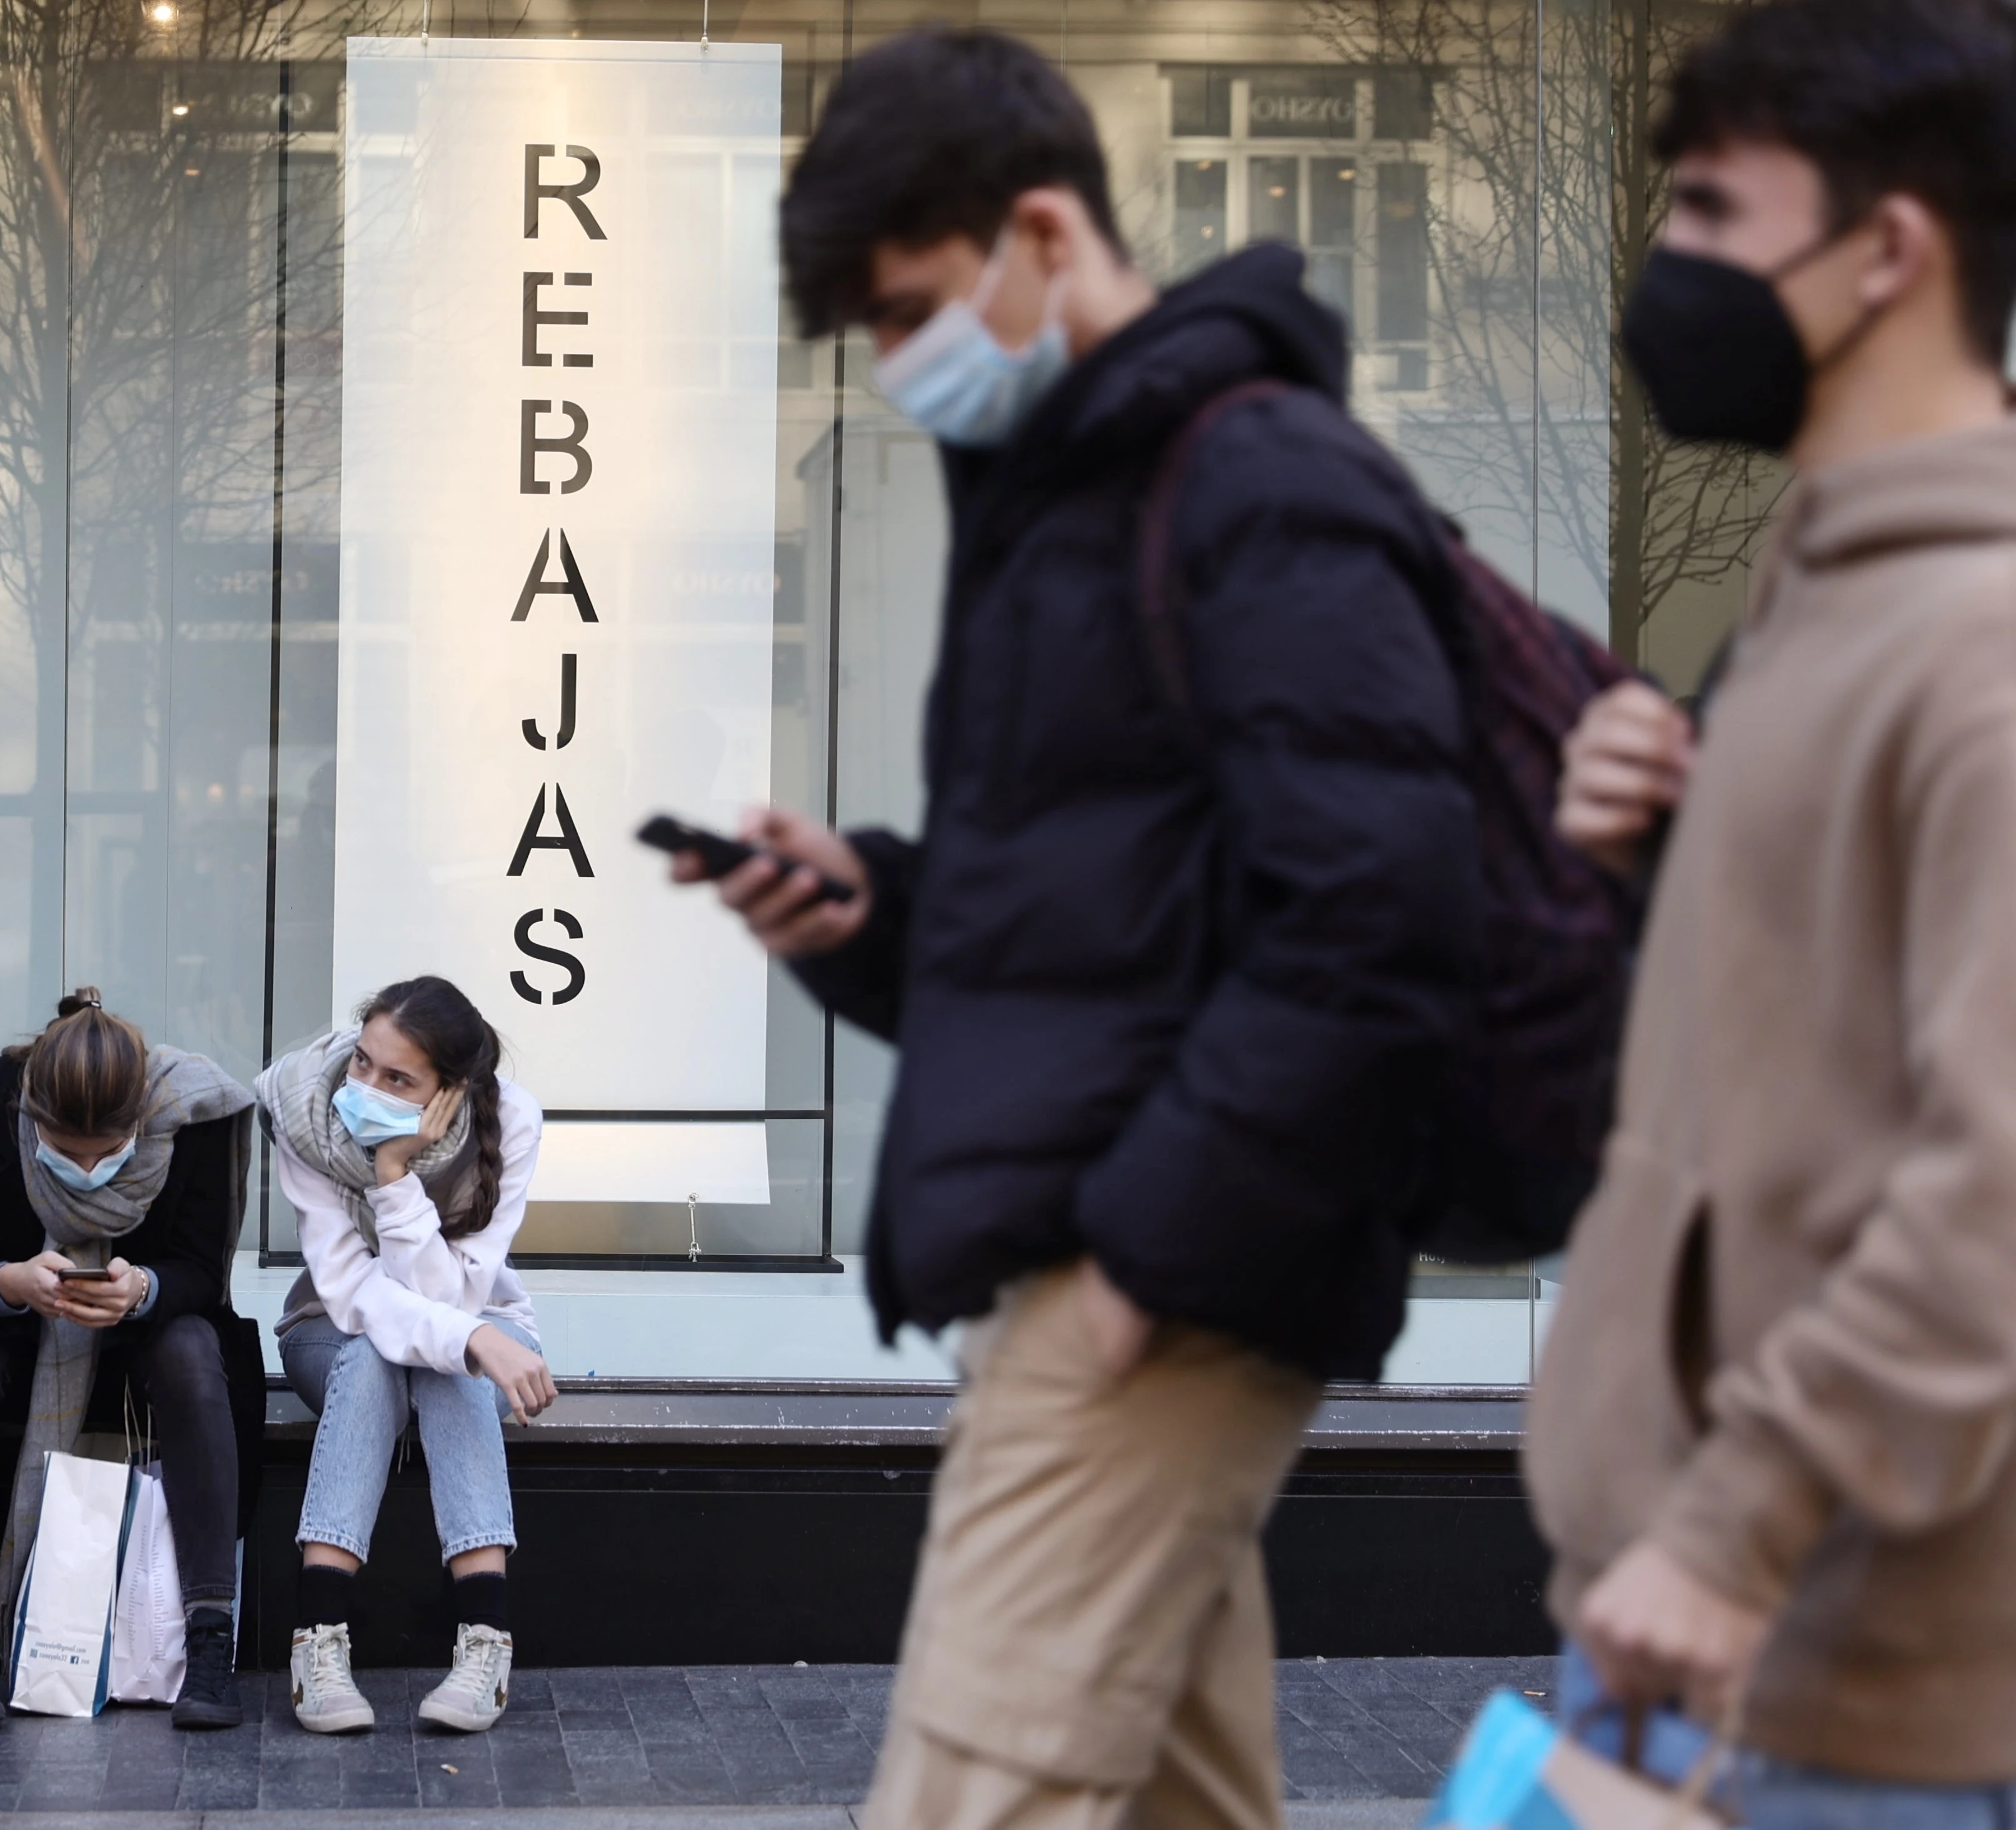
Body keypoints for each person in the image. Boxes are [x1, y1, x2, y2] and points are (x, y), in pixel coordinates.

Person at [674, 28, 1483, 1830]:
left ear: (1043, 228)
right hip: (1113, 1247)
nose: (898, 368)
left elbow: (1385, 907)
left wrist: (1145, 1262)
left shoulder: (1253, 474)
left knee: (975, 1791)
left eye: (908, 311)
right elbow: (1088, 938)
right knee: (1172, 1798)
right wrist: (866, 911)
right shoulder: (1068, 500)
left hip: (1158, 1271)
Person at [1533, 0, 2016, 1811]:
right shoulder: (1811, 590)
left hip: (1832, 1663)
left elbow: (1992, 1188)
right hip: (1688, 1621)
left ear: (1889, 246)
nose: (1667, 269)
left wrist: (1727, 1531)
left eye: (1714, 214)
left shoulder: (1977, 644)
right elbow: (1813, 1051)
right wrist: (1660, 854)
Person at [0, 989, 259, 1733]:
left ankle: (209, 1638)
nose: (90, 1168)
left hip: (142, 1330)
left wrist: (142, 1289)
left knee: (194, 1349)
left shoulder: (190, 1115)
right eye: (66, 1153)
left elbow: (201, 1271)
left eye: (109, 1153)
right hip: (16, 1329)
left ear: (140, 1119)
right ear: (33, 1117)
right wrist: (10, 1282)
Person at [262, 978, 553, 1737]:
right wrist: (467, 1340)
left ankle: (483, 1648)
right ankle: (318, 1645)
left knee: (441, 1363)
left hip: (482, 1326)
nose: (364, 1086)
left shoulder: (513, 1121)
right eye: (362, 1062)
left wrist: (394, 1177)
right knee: (380, 1355)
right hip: (333, 1329)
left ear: (450, 1093)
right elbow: (353, 1295)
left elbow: (453, 1300)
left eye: (397, 1078)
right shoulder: (305, 1118)